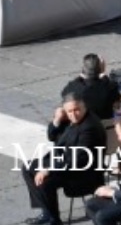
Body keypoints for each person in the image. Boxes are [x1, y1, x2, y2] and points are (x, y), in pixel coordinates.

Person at [21, 92, 106, 225]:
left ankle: (53, 220)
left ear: (84, 107)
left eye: (77, 109)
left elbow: (79, 160)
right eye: (70, 111)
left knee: (44, 181)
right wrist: (57, 120)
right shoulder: (70, 120)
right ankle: (47, 213)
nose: (74, 114)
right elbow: (51, 135)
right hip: (64, 161)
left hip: (82, 172)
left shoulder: (89, 127)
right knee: (27, 167)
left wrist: (48, 170)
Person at [62, 53, 121, 121]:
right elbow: (118, 104)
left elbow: (64, 94)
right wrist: (103, 73)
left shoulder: (72, 88)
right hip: (106, 128)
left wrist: (81, 75)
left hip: (83, 126)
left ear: (83, 69)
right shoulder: (111, 87)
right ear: (100, 69)